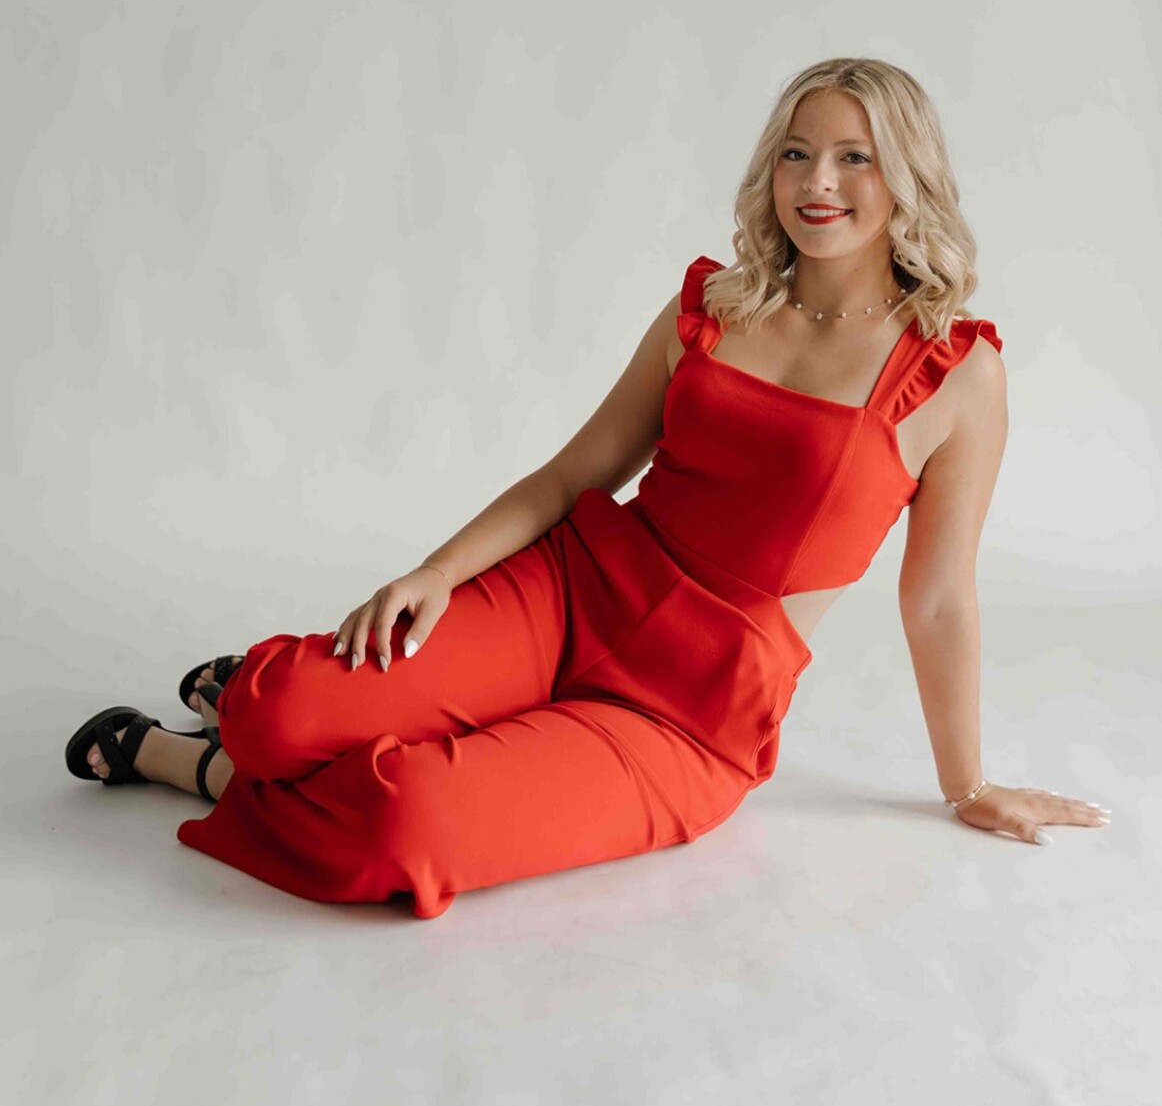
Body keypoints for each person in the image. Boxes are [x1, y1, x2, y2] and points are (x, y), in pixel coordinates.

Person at [64, 57, 1111, 917]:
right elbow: (576, 472)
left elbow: (938, 597)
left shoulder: (955, 372)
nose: (816, 182)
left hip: (690, 711)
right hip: (573, 591)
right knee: (283, 709)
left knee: (407, 825)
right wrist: (435, 572)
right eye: (796, 152)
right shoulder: (714, 306)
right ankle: (256, 711)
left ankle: (190, 766)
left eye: (853, 156)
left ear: (906, 175)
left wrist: (967, 785)